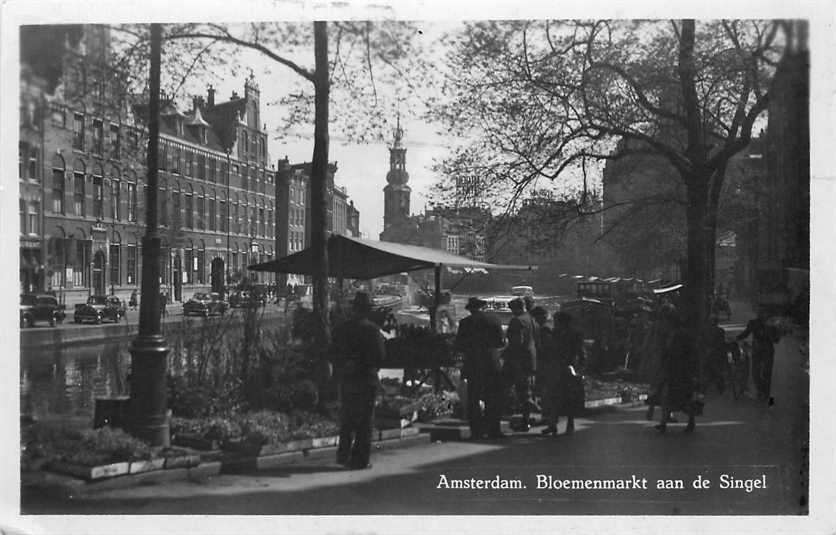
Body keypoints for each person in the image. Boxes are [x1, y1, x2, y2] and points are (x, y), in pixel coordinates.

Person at [330, 292, 385, 469]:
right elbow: (380, 356)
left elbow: (332, 353)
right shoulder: (372, 330)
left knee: (347, 419)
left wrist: (345, 365)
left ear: (354, 308)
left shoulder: (341, 329)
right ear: (368, 310)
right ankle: (360, 459)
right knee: (365, 422)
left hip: (347, 380)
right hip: (366, 379)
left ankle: (343, 455)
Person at [455, 297, 506, 439]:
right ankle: (494, 429)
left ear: (471, 309)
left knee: (474, 398)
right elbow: (501, 342)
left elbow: (459, 345)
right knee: (493, 397)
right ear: (483, 307)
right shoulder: (494, 320)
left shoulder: (465, 323)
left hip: (474, 364)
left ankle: (476, 431)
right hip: (492, 363)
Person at [655, 305, 698, 433]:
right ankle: (663, 422)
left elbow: (686, 351)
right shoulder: (669, 334)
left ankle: (691, 421)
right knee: (667, 396)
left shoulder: (681, 334)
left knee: (683, 398)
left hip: (681, 371)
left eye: (667, 321)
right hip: (671, 370)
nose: (665, 323)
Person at [542, 311, 585, 435]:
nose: (555, 324)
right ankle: (552, 424)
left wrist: (580, 368)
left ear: (563, 322)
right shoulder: (555, 333)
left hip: (569, 368)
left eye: (557, 321)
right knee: (554, 396)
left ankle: (570, 422)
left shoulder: (575, 334)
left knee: (569, 397)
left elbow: (580, 352)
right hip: (555, 368)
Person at [505, 297, 538, 431]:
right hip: (531, 359)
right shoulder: (531, 319)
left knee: (520, 391)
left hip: (519, 360)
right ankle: (526, 418)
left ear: (515, 308)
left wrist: (506, 356)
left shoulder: (517, 321)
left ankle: (524, 421)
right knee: (527, 390)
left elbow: (516, 343)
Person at [736, 308, 780, 402]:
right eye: (761, 312)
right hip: (758, 350)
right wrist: (736, 338)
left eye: (765, 313)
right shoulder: (753, 323)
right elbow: (745, 333)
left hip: (766, 350)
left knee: (766, 373)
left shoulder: (771, 324)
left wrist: (773, 329)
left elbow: (776, 339)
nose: (763, 314)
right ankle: (761, 391)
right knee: (755, 372)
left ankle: (765, 394)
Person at [701, 315, 727, 394]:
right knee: (707, 367)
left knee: (714, 367)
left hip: (717, 353)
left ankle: (719, 384)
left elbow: (720, 343)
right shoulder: (705, 331)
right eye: (710, 322)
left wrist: (712, 350)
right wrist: (706, 349)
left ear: (716, 323)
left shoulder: (720, 331)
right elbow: (702, 342)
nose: (711, 324)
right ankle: (706, 386)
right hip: (707, 353)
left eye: (713, 322)